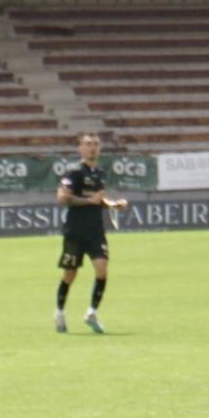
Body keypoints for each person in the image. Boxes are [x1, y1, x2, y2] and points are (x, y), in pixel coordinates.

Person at [54, 131, 126, 335]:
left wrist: (112, 204)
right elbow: (62, 198)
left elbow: (97, 200)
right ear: (80, 148)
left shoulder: (100, 173)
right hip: (75, 231)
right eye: (88, 144)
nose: (92, 147)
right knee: (70, 274)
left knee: (102, 269)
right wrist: (88, 201)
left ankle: (92, 313)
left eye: (95, 144)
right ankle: (59, 312)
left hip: (95, 231)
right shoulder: (73, 172)